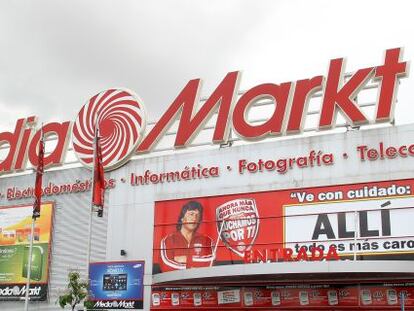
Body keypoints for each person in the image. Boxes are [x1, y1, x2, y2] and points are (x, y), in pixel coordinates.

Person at [161, 201, 214, 270]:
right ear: (182, 218)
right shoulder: (168, 240)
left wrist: (187, 259)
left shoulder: (208, 240)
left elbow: (211, 261)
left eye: (197, 215)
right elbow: (166, 264)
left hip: (201, 280)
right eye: (191, 214)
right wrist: (192, 267)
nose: (194, 218)